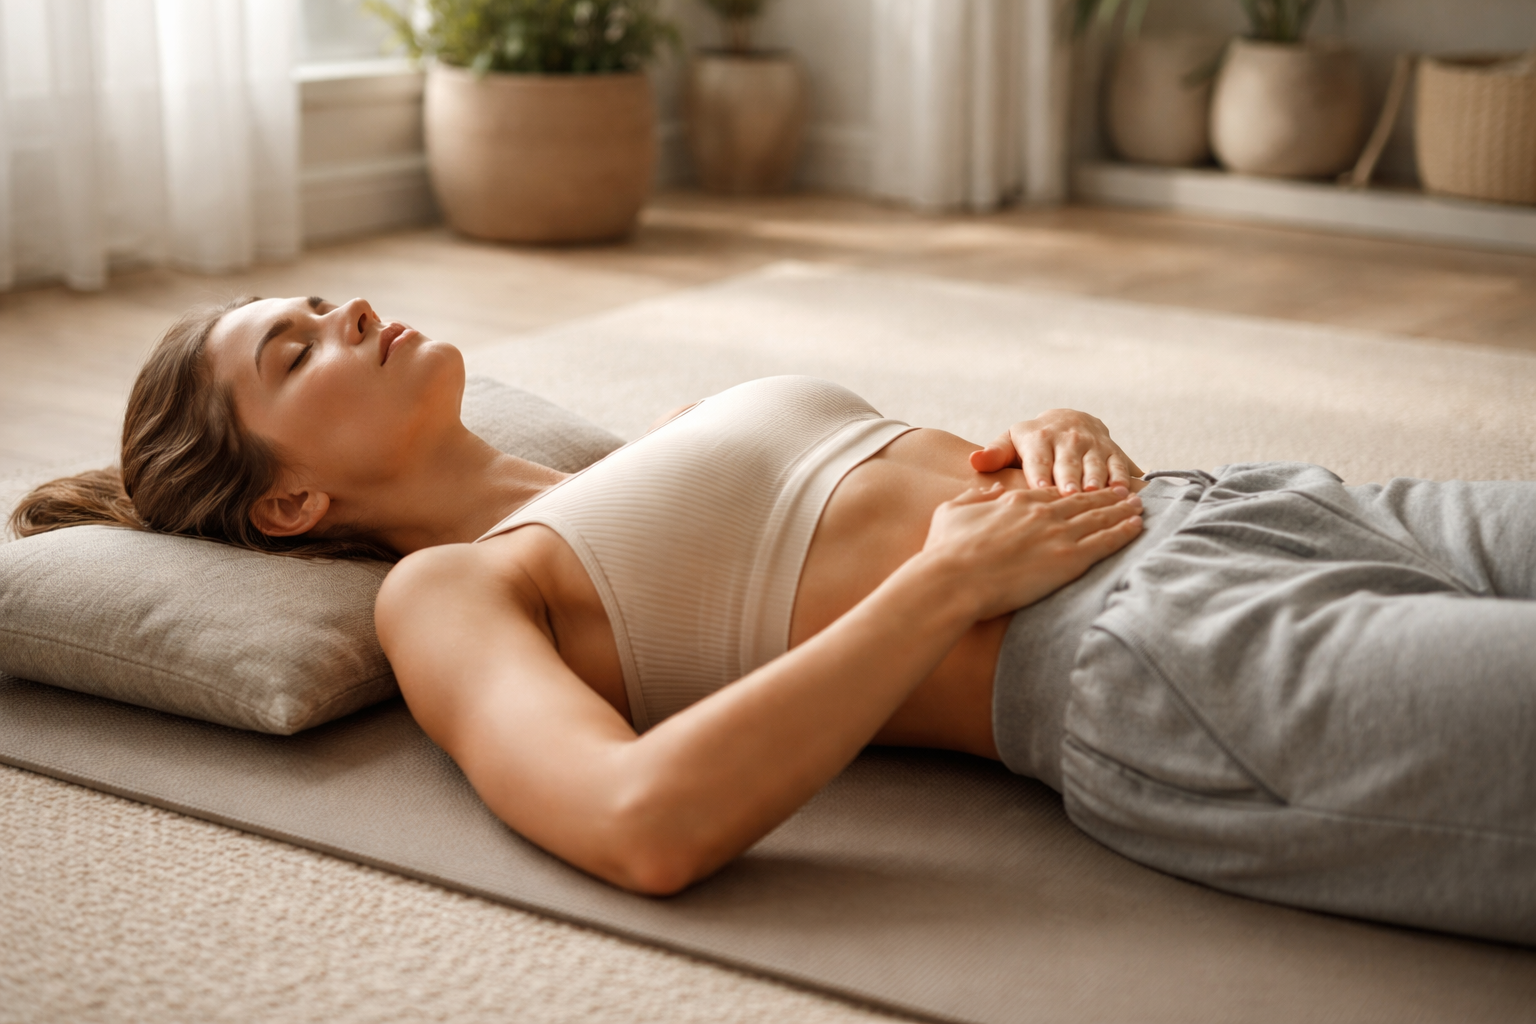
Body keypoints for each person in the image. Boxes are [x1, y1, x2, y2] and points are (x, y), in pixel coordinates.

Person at [13, 296, 1534, 946]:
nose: (346, 313)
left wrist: (1058, 426)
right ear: (286, 508)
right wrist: (944, 582)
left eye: (323, 301)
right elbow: (638, 822)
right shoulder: (454, 588)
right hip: (1168, 659)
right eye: (296, 349)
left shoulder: (640, 446)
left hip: (1256, 503)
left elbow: (896, 475)